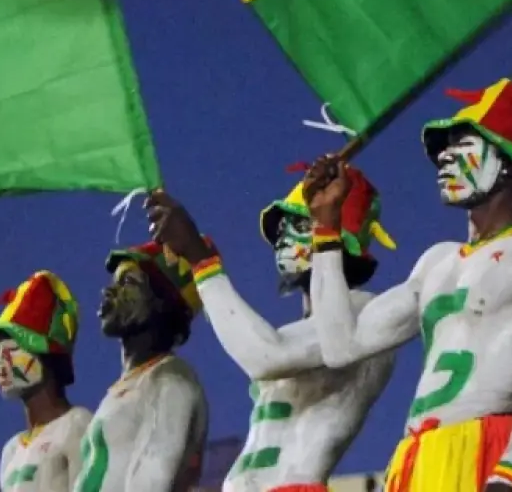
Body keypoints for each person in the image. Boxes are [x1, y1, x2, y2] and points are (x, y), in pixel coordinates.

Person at [306, 78, 512, 492]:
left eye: (465, 145)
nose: (446, 158)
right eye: (444, 149)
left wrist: (508, 473)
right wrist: (326, 229)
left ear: (510, 160)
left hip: (491, 446)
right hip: (418, 455)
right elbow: (340, 347)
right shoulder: (436, 261)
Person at [142, 178, 396, 492]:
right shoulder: (303, 329)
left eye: (299, 224)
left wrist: (201, 260)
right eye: (282, 228)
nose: (283, 238)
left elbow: (267, 356)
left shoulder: (360, 311)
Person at [73, 239, 210, 491]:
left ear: (162, 302)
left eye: (127, 282)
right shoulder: (124, 387)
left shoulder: (171, 380)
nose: (108, 291)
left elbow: (152, 479)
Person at [0, 270, 92, 490]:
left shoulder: (77, 424)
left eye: (13, 349)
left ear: (48, 356)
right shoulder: (11, 450)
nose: (1, 361)